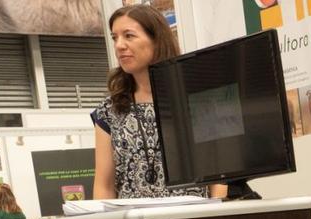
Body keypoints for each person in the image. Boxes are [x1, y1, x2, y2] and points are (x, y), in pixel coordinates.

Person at [91, 5, 225, 200]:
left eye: (129, 36)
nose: (119, 45)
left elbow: (218, 178)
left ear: (157, 40)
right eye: (115, 37)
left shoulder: (196, 99)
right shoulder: (109, 111)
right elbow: (104, 187)